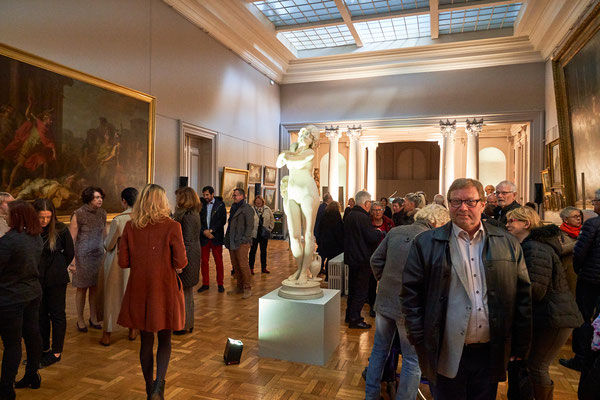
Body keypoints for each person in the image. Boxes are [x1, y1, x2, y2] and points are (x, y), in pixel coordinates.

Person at [402, 178, 532, 400]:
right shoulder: (425, 243)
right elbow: (410, 295)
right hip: (445, 348)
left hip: (489, 350)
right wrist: (420, 339)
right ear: (448, 205)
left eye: (470, 201)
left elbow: (522, 295)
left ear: (482, 204)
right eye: (456, 201)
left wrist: (520, 343)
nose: (463, 207)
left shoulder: (506, 242)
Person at [366, 204, 450, 400]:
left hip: (385, 301)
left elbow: (375, 260)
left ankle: (370, 395)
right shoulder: (433, 239)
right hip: (411, 308)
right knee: (412, 359)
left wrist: (385, 280)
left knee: (379, 350)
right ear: (437, 221)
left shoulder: (396, 231)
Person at [117, 184, 188, 399]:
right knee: (165, 339)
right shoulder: (172, 226)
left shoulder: (130, 226)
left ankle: (149, 388)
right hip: (164, 287)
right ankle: (159, 386)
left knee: (146, 341)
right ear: (163, 202)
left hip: (139, 288)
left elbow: (123, 262)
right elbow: (181, 261)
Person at [505, 206, 582, 399]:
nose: (507, 225)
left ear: (526, 223)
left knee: (537, 367)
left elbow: (535, 289)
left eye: (512, 221)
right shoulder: (530, 244)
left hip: (554, 318)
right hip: (549, 315)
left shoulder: (534, 247)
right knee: (532, 365)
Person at [0, 200, 44, 398]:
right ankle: (32, 375)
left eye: (8, 213)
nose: (5, 216)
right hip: (32, 293)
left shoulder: (9, 241)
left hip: (10, 297)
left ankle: (6, 389)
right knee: (32, 335)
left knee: (12, 344)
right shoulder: (35, 237)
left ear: (16, 216)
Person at [560, 189, 600, 373]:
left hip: (589, 280)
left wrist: (579, 270)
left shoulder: (592, 224)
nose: (593, 204)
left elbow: (580, 253)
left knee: (583, 318)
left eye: (595, 201)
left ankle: (581, 358)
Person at [276, 125, 321, 284]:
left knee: (308, 234)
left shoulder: (309, 152)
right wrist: (285, 155)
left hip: (308, 193)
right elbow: (278, 163)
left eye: (308, 134)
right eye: (303, 133)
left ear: (313, 140)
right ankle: (301, 268)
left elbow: (291, 160)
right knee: (294, 236)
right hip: (293, 192)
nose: (304, 135)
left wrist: (285, 155)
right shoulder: (294, 148)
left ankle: (303, 272)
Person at [32, 199, 74, 367]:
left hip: (56, 279)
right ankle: (42, 349)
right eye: (41, 217)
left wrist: (57, 266)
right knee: (40, 315)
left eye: (48, 217)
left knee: (57, 314)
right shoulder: (31, 229)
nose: (44, 221)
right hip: (37, 278)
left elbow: (70, 253)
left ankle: (56, 352)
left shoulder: (61, 229)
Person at [97, 187, 138, 346]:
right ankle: (133, 329)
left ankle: (107, 333)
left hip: (118, 262)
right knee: (133, 295)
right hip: (137, 262)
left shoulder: (119, 220)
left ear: (124, 201)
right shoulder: (144, 218)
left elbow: (108, 244)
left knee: (112, 296)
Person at [69, 186, 107, 333]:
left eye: (101, 197)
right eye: (97, 197)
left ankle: (93, 317)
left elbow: (104, 235)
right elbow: (71, 239)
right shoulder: (78, 214)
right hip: (82, 257)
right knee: (82, 289)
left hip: (98, 256)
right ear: (89, 198)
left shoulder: (102, 213)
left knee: (95, 289)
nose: (100, 200)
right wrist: (72, 262)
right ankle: (80, 319)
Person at [344, 190, 383, 329]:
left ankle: (349, 315)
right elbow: (371, 237)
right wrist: (379, 233)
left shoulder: (350, 215)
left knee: (352, 289)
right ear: (366, 203)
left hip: (352, 258)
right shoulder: (363, 217)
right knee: (360, 290)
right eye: (370, 203)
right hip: (362, 259)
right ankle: (355, 319)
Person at [173, 187, 202, 335]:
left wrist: (180, 262)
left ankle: (184, 324)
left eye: (178, 197)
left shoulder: (189, 215)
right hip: (191, 254)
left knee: (185, 291)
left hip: (188, 256)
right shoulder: (191, 213)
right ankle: (186, 323)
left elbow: (187, 241)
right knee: (186, 291)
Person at [224, 188, 255, 299]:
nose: (234, 197)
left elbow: (250, 226)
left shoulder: (247, 209)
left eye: (236, 195)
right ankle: (239, 287)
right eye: (233, 195)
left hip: (242, 242)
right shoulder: (233, 207)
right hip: (232, 240)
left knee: (243, 265)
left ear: (242, 196)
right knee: (236, 265)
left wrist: (244, 239)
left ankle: (247, 288)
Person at [198, 186, 226, 293]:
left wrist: (212, 230)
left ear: (212, 194)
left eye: (207, 195)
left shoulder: (220, 204)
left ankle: (220, 284)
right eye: (204, 195)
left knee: (218, 261)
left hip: (216, 237)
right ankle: (205, 283)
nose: (205, 197)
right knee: (204, 261)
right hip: (204, 237)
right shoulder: (201, 205)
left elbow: (222, 220)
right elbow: (198, 220)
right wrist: (204, 231)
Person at [558, 206, 583, 295]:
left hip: (584, 271)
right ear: (566, 220)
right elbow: (560, 249)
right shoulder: (559, 233)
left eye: (579, 216)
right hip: (568, 271)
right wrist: (578, 243)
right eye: (575, 216)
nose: (579, 218)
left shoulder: (584, 230)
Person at [316, 201, 344, 281]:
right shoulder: (336, 216)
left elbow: (319, 228)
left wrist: (319, 240)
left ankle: (320, 273)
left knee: (324, 258)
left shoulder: (324, 215)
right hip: (334, 243)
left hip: (324, 241)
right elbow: (338, 231)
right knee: (332, 260)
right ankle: (330, 277)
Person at [249, 195, 274, 274]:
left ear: (263, 201)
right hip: (254, 234)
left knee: (263, 251)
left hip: (264, 234)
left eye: (260, 200)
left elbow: (272, 219)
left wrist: (270, 228)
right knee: (253, 251)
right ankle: (251, 268)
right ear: (255, 201)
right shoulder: (251, 209)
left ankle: (264, 268)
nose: (258, 202)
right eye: (257, 201)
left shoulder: (267, 209)